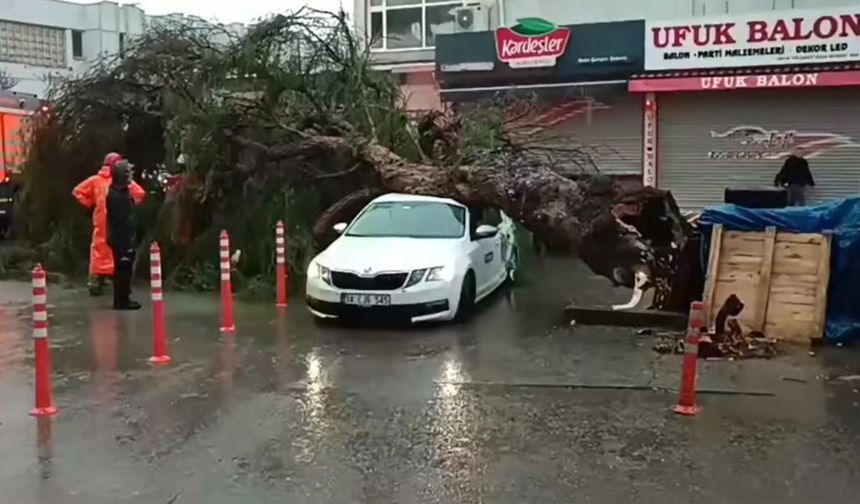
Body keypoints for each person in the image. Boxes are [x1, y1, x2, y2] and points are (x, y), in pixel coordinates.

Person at [73, 153, 145, 295]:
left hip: (101, 222)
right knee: (119, 252)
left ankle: (95, 282)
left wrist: (90, 204)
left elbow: (78, 191)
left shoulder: (95, 180)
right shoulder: (122, 181)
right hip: (119, 222)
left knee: (99, 251)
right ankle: (119, 284)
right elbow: (140, 194)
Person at [106, 160, 141, 310]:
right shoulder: (117, 195)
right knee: (122, 269)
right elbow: (122, 220)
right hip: (121, 238)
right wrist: (128, 239)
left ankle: (124, 297)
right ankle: (121, 301)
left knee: (125, 269)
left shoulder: (121, 191)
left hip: (123, 236)